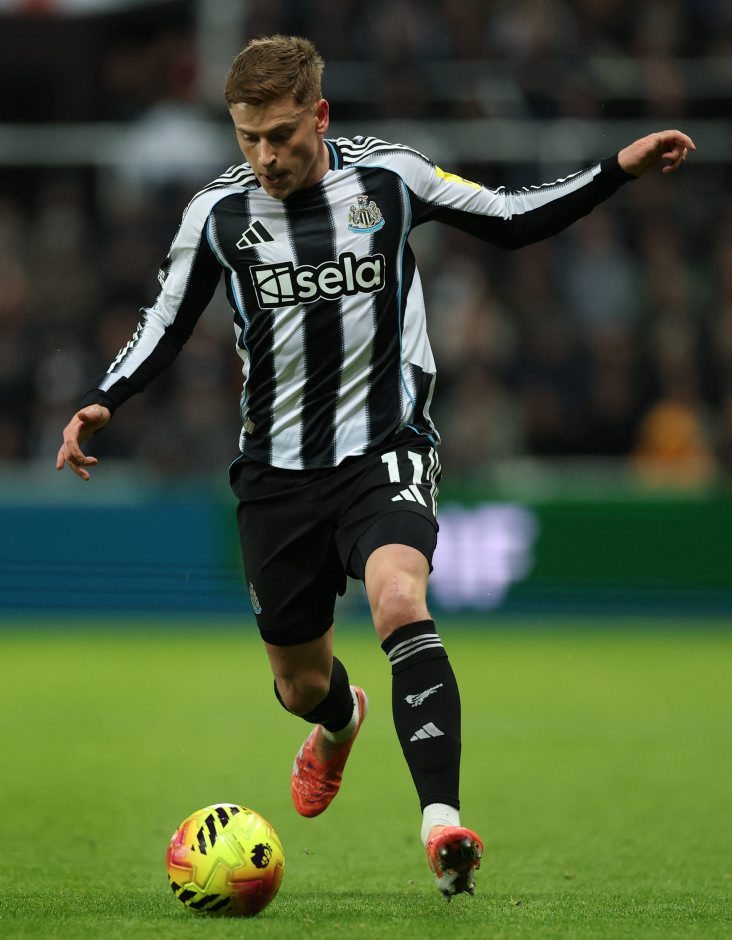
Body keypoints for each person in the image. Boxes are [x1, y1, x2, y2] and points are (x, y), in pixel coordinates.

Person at [56, 35, 694, 900]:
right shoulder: (219, 213)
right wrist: (104, 399)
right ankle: (338, 719)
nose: (265, 156)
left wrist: (616, 168)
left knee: (400, 599)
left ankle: (442, 826)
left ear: (319, 115)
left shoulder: (390, 177)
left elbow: (510, 218)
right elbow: (165, 319)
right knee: (299, 684)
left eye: (281, 135)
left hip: (385, 447)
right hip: (277, 471)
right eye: (248, 138)